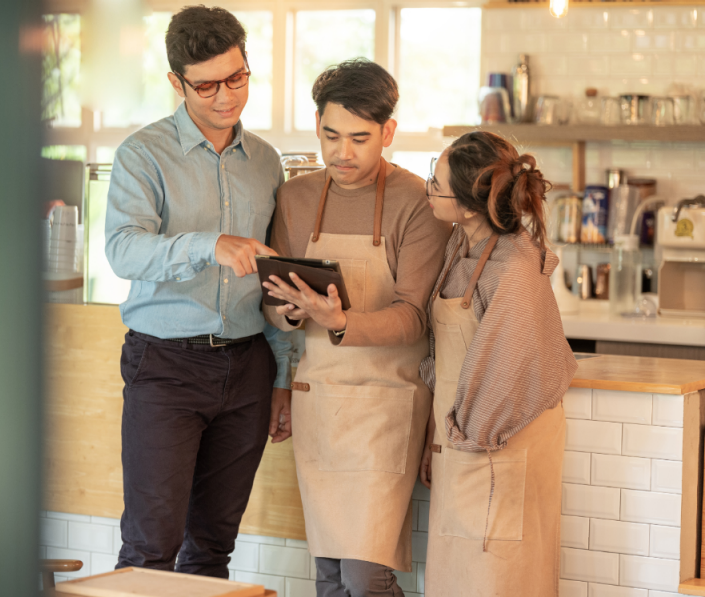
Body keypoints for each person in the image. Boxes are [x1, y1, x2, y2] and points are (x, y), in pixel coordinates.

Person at [104, 6, 293, 579]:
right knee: (149, 549)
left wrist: (282, 378)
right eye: (206, 85)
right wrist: (205, 245)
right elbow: (122, 249)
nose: (225, 96)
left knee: (213, 548)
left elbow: (274, 284)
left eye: (236, 78)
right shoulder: (142, 155)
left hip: (247, 368)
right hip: (165, 365)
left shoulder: (265, 162)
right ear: (175, 83)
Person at [262, 59, 452, 597]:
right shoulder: (295, 199)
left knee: (364, 575)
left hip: (384, 409)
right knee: (328, 574)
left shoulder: (416, 201)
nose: (342, 153)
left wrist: (340, 320)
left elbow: (416, 316)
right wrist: (293, 311)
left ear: (388, 132)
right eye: (330, 135)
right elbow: (273, 306)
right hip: (319, 402)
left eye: (359, 138)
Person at [418, 131, 577, 597]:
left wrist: (459, 435)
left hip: (495, 443)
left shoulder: (513, 266)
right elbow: (445, 359)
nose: (428, 187)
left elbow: (506, 372)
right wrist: (437, 443)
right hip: (461, 440)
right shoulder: (459, 245)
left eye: (436, 183)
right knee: (458, 577)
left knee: (498, 579)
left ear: (468, 205)